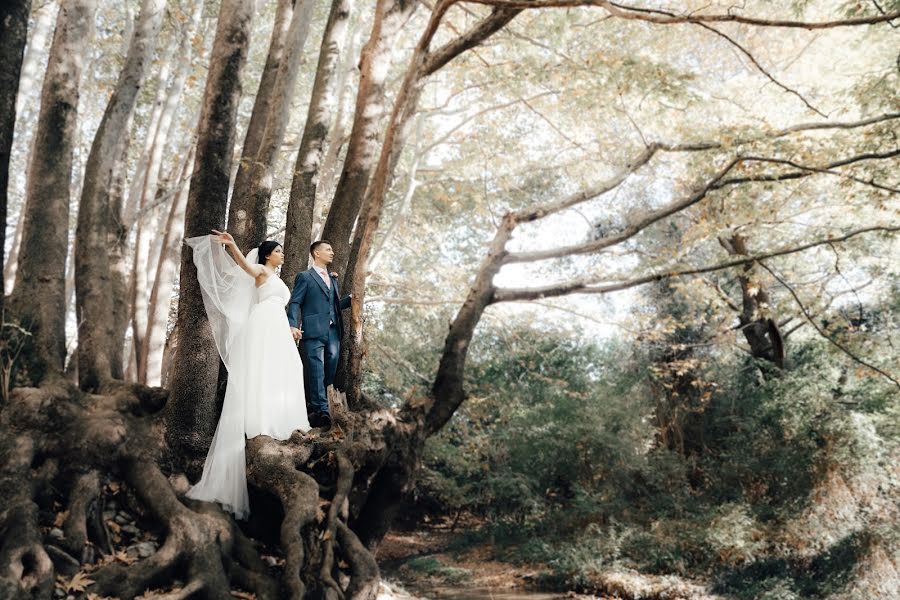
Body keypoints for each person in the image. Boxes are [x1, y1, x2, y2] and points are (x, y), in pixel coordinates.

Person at [183, 230, 310, 519]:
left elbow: (279, 305)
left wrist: (290, 327)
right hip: (263, 325)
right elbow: (242, 264)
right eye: (278, 250)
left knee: (289, 367)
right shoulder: (260, 271)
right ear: (268, 254)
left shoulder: (277, 280)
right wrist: (232, 245)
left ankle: (286, 418)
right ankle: (263, 420)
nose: (283, 254)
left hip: (277, 324)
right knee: (264, 369)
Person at [287, 240, 351, 429]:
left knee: (330, 368)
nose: (332, 252)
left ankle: (323, 406)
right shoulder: (304, 277)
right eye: (328, 249)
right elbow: (295, 302)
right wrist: (292, 325)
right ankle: (322, 411)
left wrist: (350, 300)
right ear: (317, 253)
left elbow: (334, 305)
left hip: (333, 331)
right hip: (313, 330)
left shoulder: (333, 279)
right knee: (316, 370)